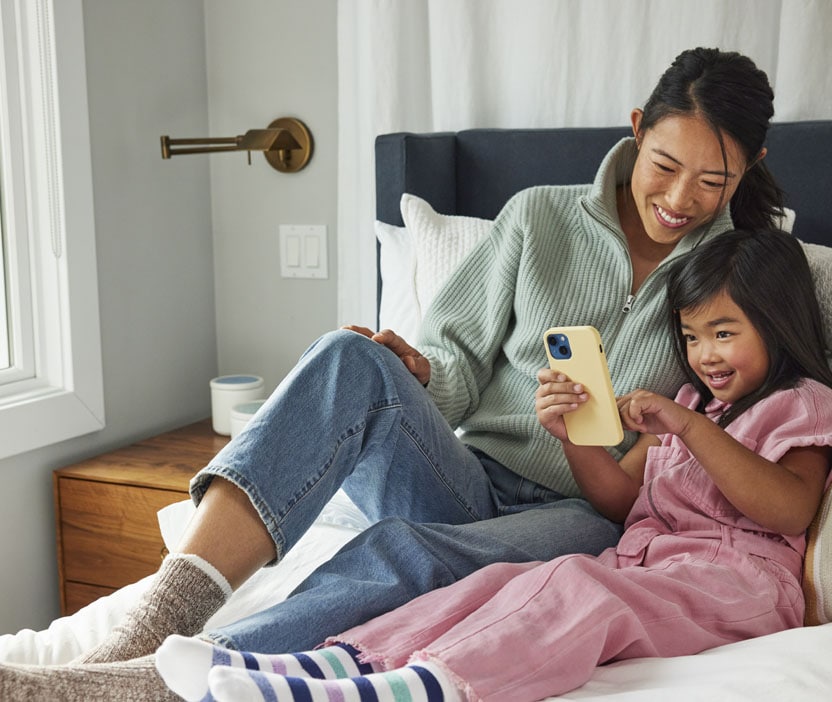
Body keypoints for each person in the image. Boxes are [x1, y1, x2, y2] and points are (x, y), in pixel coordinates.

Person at [0, 48, 791, 700]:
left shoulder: (742, 269)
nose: (680, 198)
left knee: (404, 549)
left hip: (586, 512)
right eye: (664, 165)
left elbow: (762, 395)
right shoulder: (536, 217)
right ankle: (155, 627)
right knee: (351, 355)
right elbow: (452, 366)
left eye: (713, 181)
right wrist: (415, 366)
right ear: (636, 130)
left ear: (749, 166)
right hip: (466, 474)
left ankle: (167, 682)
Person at [152, 228, 832, 702]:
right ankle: (322, 664)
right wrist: (572, 436)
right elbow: (623, 504)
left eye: (723, 333)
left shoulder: (798, 406)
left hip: (736, 583)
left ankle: (424, 684)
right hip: (639, 557)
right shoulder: (692, 409)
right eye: (690, 336)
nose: (705, 354)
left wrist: (684, 425)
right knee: (494, 585)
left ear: (776, 321)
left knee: (573, 587)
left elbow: (791, 508)